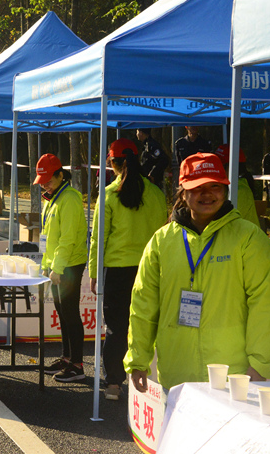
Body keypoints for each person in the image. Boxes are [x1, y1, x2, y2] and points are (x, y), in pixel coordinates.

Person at [125, 152, 270, 392]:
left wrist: (260, 364)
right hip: (177, 374)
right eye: (197, 187)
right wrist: (138, 360)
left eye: (215, 186)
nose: (207, 194)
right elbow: (144, 303)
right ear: (183, 192)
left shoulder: (249, 238)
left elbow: (265, 304)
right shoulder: (162, 241)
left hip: (234, 376)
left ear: (225, 189)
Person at [89, 139, 167, 400]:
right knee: (148, 324)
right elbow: (163, 235)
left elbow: (98, 238)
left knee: (116, 327)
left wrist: (94, 271)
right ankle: (152, 381)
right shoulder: (156, 194)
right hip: (149, 269)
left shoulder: (109, 194)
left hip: (117, 270)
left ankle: (113, 383)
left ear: (112, 163)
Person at [32, 153, 88, 383]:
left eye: (48, 180)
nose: (44, 184)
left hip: (69, 264)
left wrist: (58, 268)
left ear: (60, 175)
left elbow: (68, 238)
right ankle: (67, 358)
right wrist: (47, 265)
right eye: (42, 181)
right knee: (62, 312)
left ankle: (77, 364)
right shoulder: (53, 198)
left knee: (70, 313)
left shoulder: (70, 199)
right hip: (57, 264)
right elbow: (48, 236)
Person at [213, 144, 260, 228]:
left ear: (234, 167)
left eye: (219, 166)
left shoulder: (239, 190)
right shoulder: (230, 186)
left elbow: (222, 223)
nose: (215, 170)